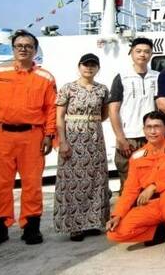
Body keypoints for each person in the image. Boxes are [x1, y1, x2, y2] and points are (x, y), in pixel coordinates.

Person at [0, 30, 56, 251]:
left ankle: (31, 226)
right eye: (19, 45)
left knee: (32, 184)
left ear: (35, 50)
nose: (23, 49)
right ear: (13, 49)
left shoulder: (46, 77)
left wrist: (49, 135)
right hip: (1, 136)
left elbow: (50, 109)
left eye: (28, 46)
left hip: (33, 136)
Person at [106, 111, 165, 259]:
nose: (153, 131)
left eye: (157, 126)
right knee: (114, 233)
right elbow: (130, 190)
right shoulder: (137, 156)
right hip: (151, 205)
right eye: (149, 127)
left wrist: (154, 186)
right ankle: (158, 231)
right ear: (144, 130)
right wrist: (117, 214)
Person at [54, 53, 111, 241]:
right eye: (86, 64)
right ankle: (75, 225)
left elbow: (104, 113)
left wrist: (90, 121)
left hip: (95, 139)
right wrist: (62, 141)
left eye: (93, 65)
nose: (89, 68)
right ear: (79, 66)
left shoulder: (102, 90)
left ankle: (93, 221)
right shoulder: (68, 88)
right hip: (72, 137)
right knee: (73, 181)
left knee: (96, 179)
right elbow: (59, 116)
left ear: (98, 68)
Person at [108, 37, 159, 193]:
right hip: (129, 137)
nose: (142, 55)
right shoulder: (122, 77)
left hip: (152, 135)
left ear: (151, 54)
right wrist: (121, 138)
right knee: (128, 181)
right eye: (138, 51)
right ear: (131, 52)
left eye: (146, 51)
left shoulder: (157, 76)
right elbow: (113, 110)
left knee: (152, 178)